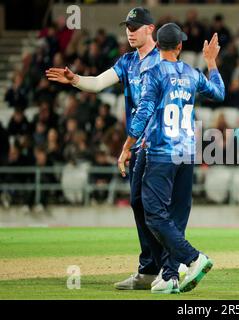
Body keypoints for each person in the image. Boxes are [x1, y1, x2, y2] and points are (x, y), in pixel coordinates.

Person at [46, 7, 185, 290]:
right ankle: (149, 269)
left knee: (159, 210)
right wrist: (75, 80)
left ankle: (170, 269)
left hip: (162, 146)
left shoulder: (165, 61)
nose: (129, 32)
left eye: (135, 27)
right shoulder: (128, 62)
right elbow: (97, 83)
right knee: (138, 204)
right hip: (139, 148)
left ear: (151, 29)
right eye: (127, 27)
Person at [118, 25, 225, 294]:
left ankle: (194, 258)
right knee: (175, 216)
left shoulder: (153, 73)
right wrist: (211, 62)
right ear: (179, 47)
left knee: (154, 215)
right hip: (187, 153)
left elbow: (142, 114)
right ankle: (169, 276)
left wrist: (128, 146)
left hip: (160, 153)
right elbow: (219, 93)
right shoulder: (191, 73)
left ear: (159, 45)